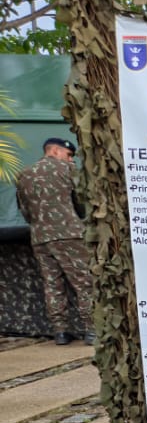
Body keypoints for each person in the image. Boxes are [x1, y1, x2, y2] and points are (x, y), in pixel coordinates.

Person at [14, 137, 95, 346]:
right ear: (55, 151)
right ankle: (92, 329)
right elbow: (81, 202)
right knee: (84, 282)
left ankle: (60, 331)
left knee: (52, 283)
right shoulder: (68, 170)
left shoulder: (24, 174)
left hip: (40, 237)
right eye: (68, 155)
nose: (71, 159)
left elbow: (25, 210)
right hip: (69, 233)